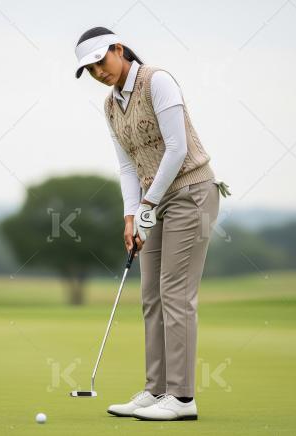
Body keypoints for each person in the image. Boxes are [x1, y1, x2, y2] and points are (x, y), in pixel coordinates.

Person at [73, 26, 231, 421]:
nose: (98, 73)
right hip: (152, 202)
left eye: (100, 62)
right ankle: (155, 389)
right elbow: (127, 165)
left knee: (175, 294)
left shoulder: (157, 81)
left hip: (192, 194)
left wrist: (147, 202)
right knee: (151, 296)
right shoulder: (110, 106)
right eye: (89, 70)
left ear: (119, 49)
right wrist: (131, 215)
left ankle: (181, 399)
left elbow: (177, 148)